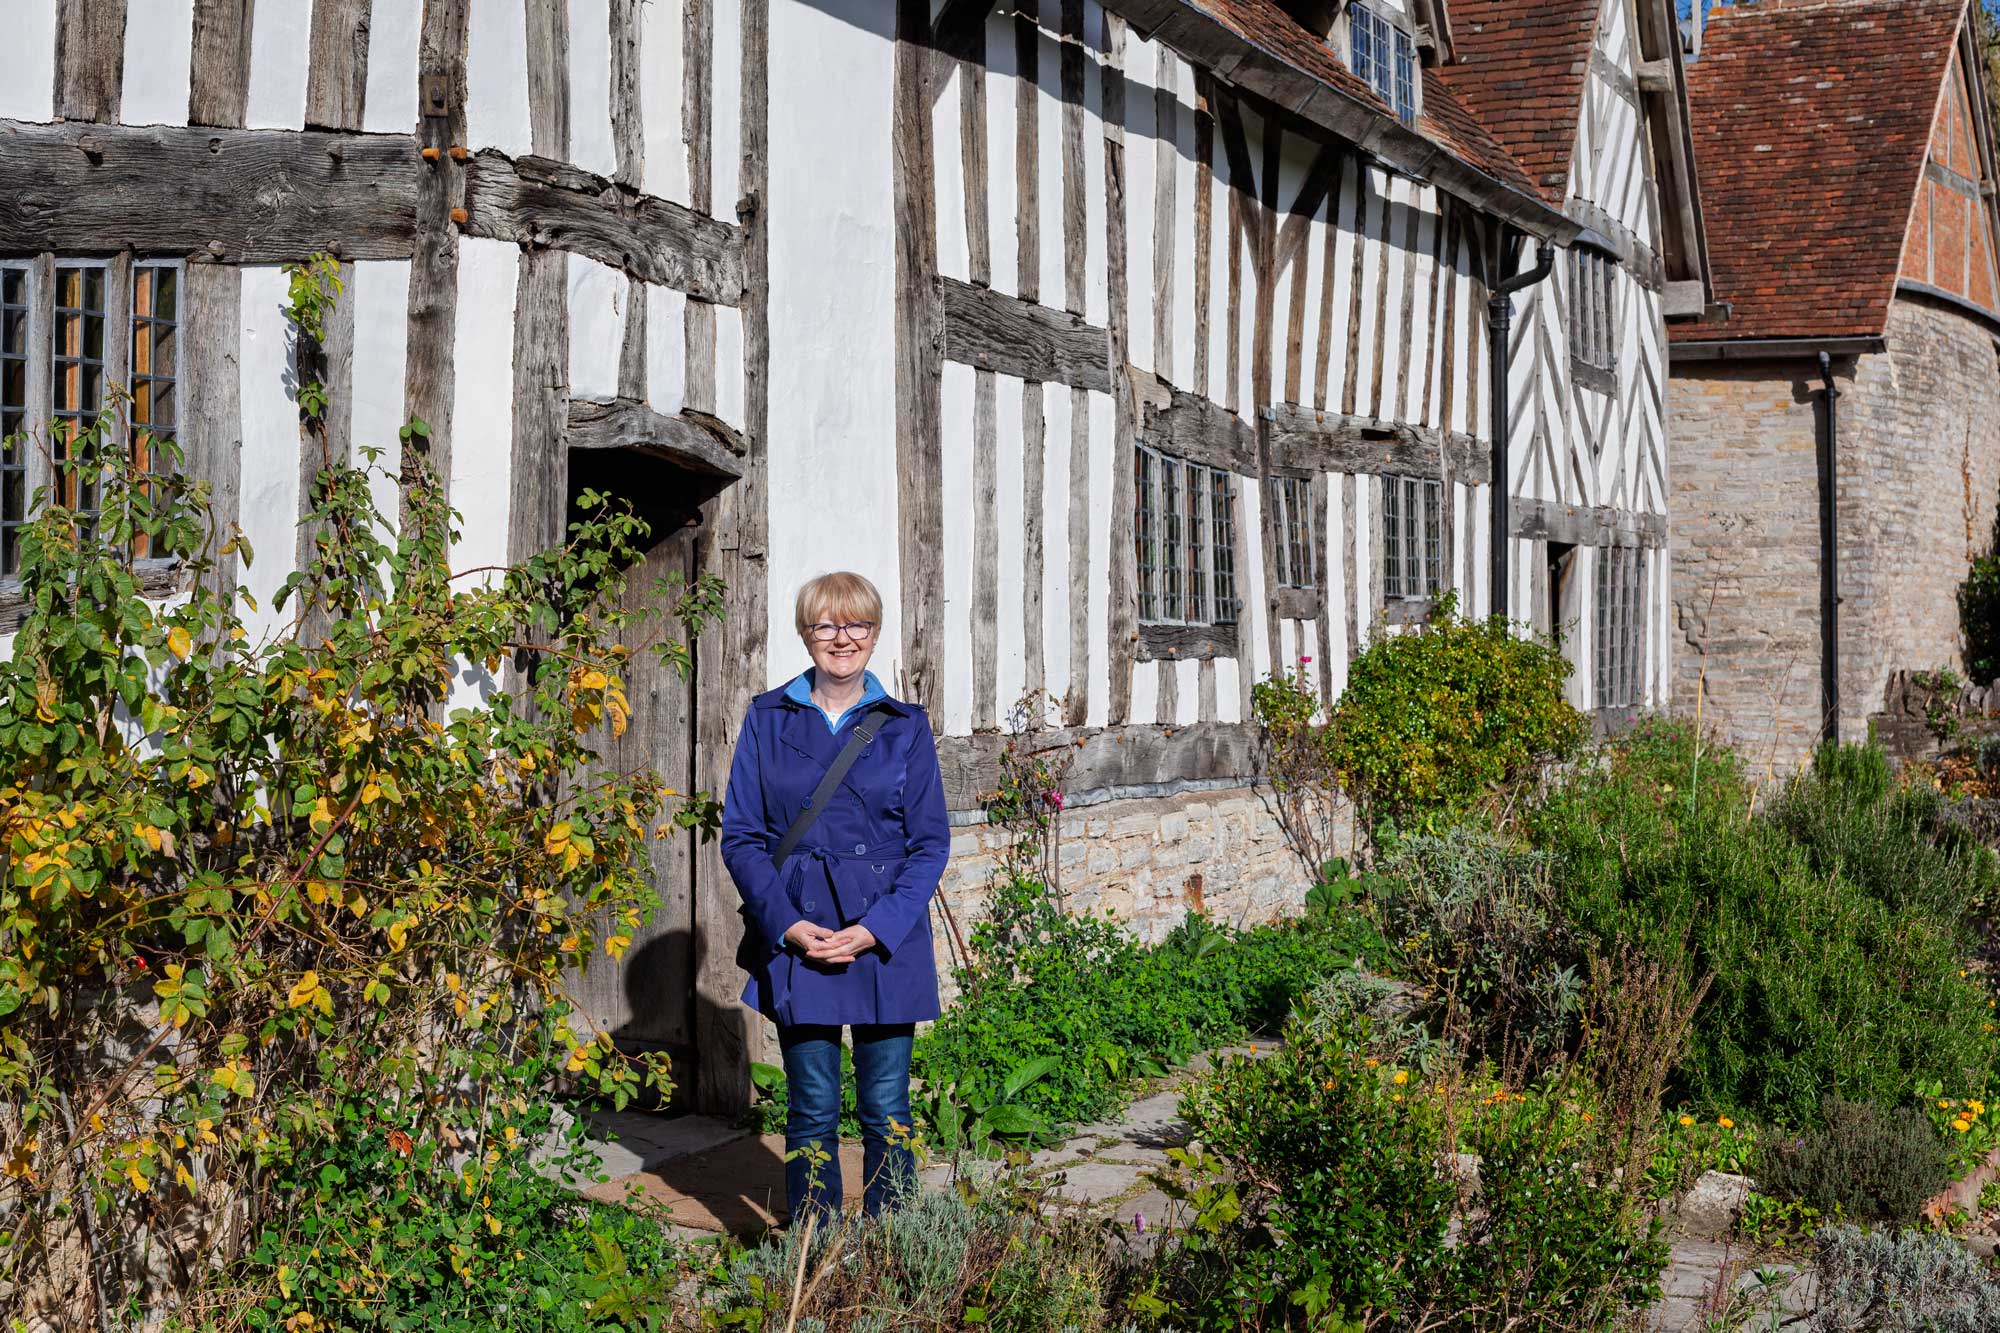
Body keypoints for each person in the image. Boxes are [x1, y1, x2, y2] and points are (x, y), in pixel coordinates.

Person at [720, 571, 948, 1223]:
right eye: (826, 624)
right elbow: (742, 836)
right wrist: (787, 923)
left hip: (884, 941)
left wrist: (879, 926)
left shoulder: (905, 726)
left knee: (886, 1108)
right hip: (801, 938)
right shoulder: (768, 717)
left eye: (857, 625)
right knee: (812, 1108)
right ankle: (812, 1254)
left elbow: (930, 842)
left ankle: (891, 1249)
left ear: (874, 635)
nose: (841, 638)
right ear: (806, 632)